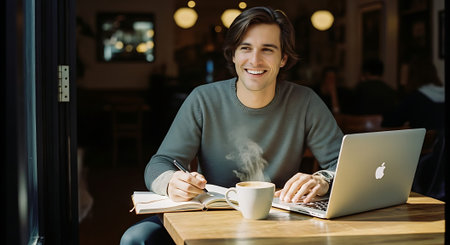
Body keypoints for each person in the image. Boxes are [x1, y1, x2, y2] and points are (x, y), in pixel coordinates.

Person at [120, 6, 343, 244]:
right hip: (209, 214)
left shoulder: (306, 101)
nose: (254, 60)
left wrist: (322, 180)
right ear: (234, 55)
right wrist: (171, 182)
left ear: (283, 59)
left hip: (279, 219)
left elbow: (344, 163)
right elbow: (159, 163)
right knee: (137, 238)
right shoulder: (203, 99)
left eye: (267, 50)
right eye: (245, 48)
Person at [382, 59, 445, 201]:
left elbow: (389, 121)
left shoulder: (415, 97)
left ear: (412, 76)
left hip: (419, 159)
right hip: (439, 159)